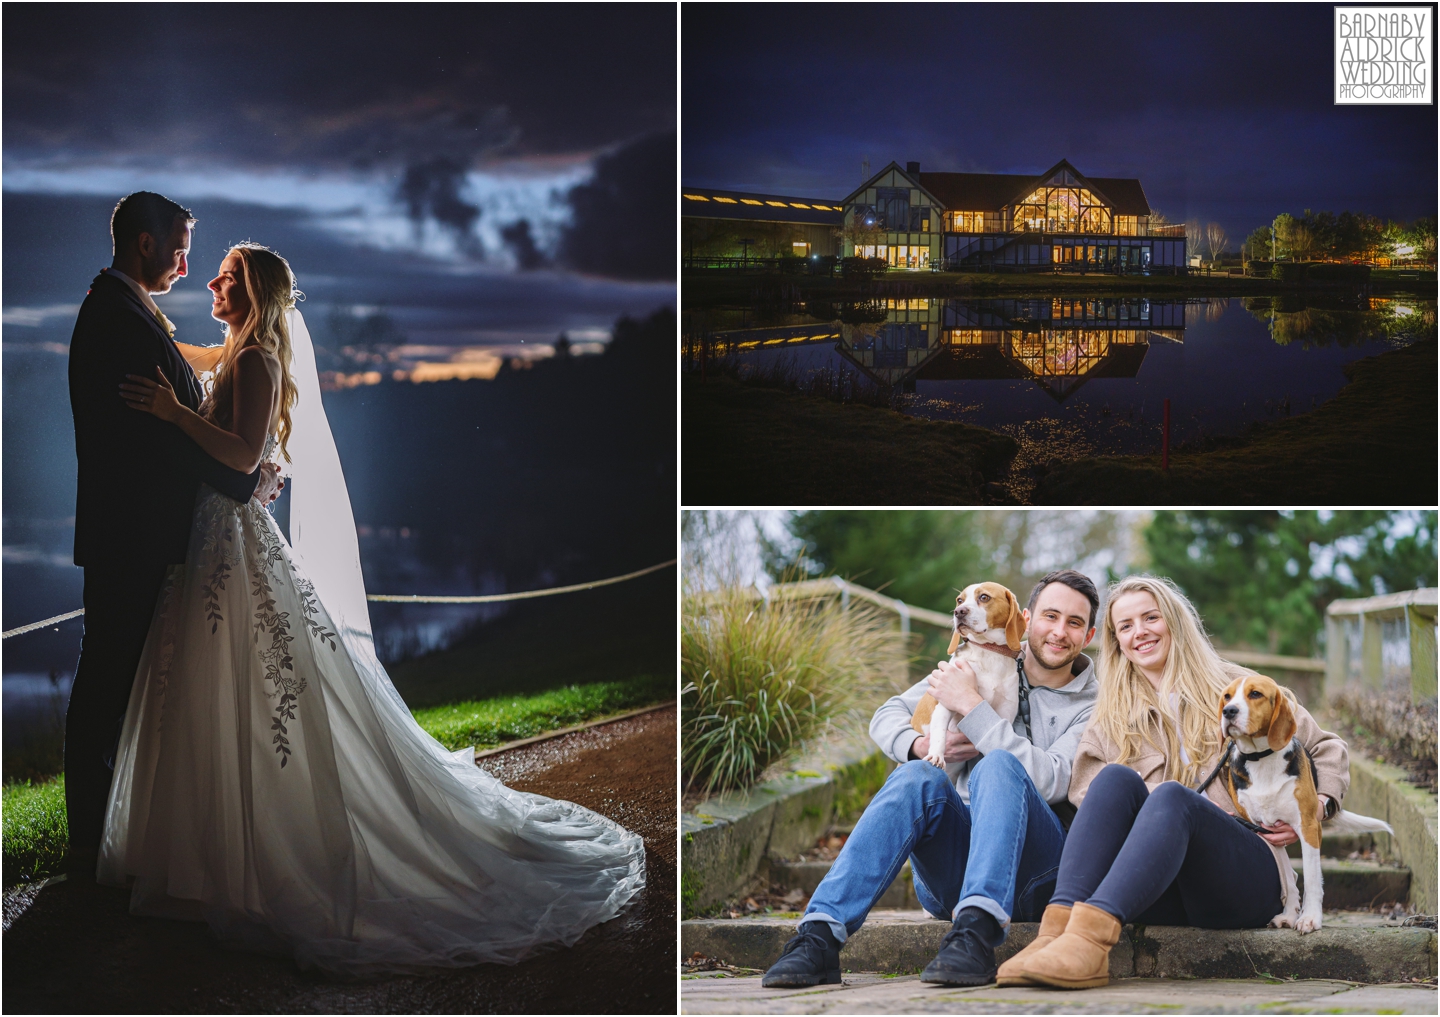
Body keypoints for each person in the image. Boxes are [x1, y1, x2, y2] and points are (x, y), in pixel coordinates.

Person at [99, 241, 645, 976]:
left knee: (259, 687)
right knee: (207, 689)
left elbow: (237, 454)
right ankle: (203, 859)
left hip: (231, 538)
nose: (214, 282)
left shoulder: (257, 359)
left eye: (227, 275)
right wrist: (158, 334)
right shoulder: (235, 350)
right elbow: (198, 356)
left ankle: (258, 860)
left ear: (253, 291)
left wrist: (171, 411)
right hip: (209, 540)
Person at [65, 192, 284, 877]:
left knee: (134, 696)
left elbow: (195, 421)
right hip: (131, 538)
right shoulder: (121, 318)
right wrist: (249, 479)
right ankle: (92, 856)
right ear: (146, 245)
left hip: (151, 537)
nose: (192, 268)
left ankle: (113, 851)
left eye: (216, 268)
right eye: (183, 249)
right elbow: (158, 439)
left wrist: (249, 460)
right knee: (108, 695)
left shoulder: (131, 312)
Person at [999, 575, 1349, 990]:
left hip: (1241, 876)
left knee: (1172, 798)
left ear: (1175, 622)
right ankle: (1055, 935)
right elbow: (1087, 796)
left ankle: (1089, 946)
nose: (1139, 632)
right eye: (1125, 626)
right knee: (1113, 778)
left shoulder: (1237, 688)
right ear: (1115, 640)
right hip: (1157, 886)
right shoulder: (1109, 714)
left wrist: (1318, 805)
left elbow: (1325, 748)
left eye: (1151, 617)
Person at [762, 570, 1101, 989]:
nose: (1059, 631)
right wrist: (920, 746)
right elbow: (889, 714)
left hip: (1037, 876)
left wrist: (976, 712)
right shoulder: (977, 659)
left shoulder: (1094, 705)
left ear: (1088, 636)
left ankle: (976, 935)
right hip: (952, 870)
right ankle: (819, 935)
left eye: (1074, 623)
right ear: (1027, 619)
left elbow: (1054, 780)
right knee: (918, 775)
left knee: (998, 764)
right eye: (1051, 616)